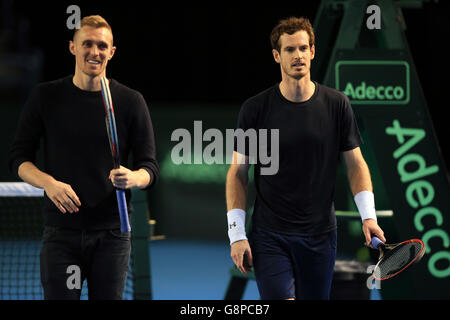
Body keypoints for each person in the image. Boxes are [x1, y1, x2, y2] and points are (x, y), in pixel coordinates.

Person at [225, 16, 386, 300]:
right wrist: (236, 234)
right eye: (289, 50)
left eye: (303, 48)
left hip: (321, 237)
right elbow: (238, 172)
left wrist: (368, 216)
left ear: (312, 51)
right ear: (277, 56)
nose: (297, 55)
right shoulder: (255, 109)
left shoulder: (337, 104)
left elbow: (356, 164)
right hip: (270, 236)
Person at [8, 15, 159, 300]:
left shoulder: (130, 101)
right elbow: (18, 160)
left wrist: (134, 177)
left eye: (102, 46)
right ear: (72, 47)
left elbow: (149, 167)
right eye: (86, 44)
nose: (94, 52)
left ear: (112, 52)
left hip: (113, 236)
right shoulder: (45, 97)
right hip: (62, 234)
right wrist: (49, 183)